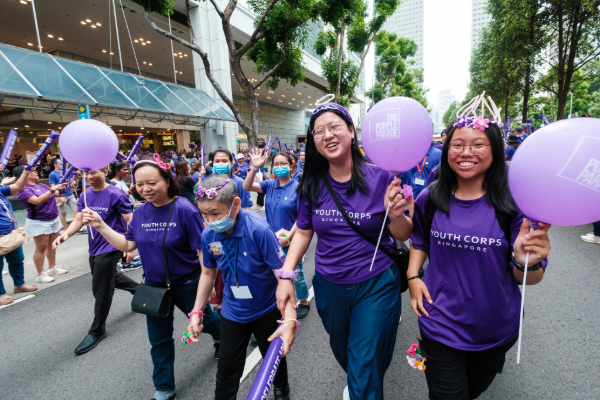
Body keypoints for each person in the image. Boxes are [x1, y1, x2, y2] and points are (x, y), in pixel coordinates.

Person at [407, 95, 551, 399]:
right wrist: (413, 277)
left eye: (478, 145)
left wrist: (526, 260)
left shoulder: (514, 204)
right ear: (447, 149)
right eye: (457, 145)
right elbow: (418, 239)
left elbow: (529, 277)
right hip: (439, 321)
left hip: (495, 327)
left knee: (472, 390)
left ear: (495, 150)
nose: (466, 152)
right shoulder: (431, 197)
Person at [275, 103, 413, 400]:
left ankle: (363, 386)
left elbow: (403, 233)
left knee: (364, 361)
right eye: (319, 131)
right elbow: (303, 230)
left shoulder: (383, 179)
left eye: (335, 126)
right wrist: (287, 274)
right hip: (329, 285)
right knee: (345, 352)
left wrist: (398, 214)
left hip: (376, 283)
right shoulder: (311, 184)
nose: (328, 135)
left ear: (352, 131)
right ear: (313, 141)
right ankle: (362, 381)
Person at [80, 158, 220, 400]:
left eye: (152, 182)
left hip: (188, 283)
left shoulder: (185, 209)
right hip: (154, 286)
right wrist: (101, 225)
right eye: (139, 184)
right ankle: (164, 388)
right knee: (159, 340)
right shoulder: (140, 211)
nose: (145, 189)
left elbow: (202, 250)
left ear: (167, 181)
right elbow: (126, 243)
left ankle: (223, 336)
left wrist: (208, 286)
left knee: (205, 319)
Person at [189, 175, 297, 400]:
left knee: (274, 357)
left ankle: (281, 389)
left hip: (267, 308)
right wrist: (197, 312)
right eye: (204, 214)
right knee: (227, 371)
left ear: (236, 204)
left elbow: (282, 275)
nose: (209, 220)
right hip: (233, 311)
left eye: (215, 213)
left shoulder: (258, 229)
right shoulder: (209, 235)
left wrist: (289, 317)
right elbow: (208, 273)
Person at [52, 166, 138, 355]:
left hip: (112, 245)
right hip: (94, 246)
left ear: (105, 172)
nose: (90, 176)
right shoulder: (85, 195)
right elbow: (78, 219)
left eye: (94, 172)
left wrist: (130, 246)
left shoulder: (116, 194)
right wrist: (65, 234)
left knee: (101, 288)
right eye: (87, 173)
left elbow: (130, 218)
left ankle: (97, 330)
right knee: (109, 277)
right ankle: (140, 292)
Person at [243, 149, 310, 319]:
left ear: (292, 165)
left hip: (292, 238)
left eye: (283, 164)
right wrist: (254, 168)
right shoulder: (269, 185)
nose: (279, 167)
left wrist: (288, 237)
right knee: (273, 271)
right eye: (276, 164)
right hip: (271, 239)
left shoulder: (298, 188)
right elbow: (247, 186)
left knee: (296, 272)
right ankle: (279, 299)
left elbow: (301, 217)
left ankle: (303, 300)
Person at [14, 165, 68, 283]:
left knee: (52, 244)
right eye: (33, 171)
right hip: (38, 221)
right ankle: (40, 274)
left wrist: (65, 185)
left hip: (53, 218)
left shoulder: (41, 185)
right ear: (24, 175)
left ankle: (52, 267)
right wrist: (53, 190)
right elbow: (37, 201)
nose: (36, 172)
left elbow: (59, 194)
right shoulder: (22, 189)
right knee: (41, 247)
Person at [0, 165, 39, 305]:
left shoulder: (0, 190)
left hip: (11, 234)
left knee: (17, 260)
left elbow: (17, 186)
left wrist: (26, 172)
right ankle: (0, 294)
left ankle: (19, 285)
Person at [108, 161, 143, 272]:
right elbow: (120, 199)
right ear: (117, 171)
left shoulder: (120, 181)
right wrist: (130, 191)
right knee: (125, 233)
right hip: (123, 213)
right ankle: (126, 262)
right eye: (125, 169)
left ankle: (128, 259)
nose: (127, 172)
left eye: (127, 169)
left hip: (128, 209)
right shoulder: (115, 184)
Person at [48, 158, 78, 232]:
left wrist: (73, 182)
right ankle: (65, 229)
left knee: (76, 211)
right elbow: (53, 187)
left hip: (70, 194)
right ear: (55, 165)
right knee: (63, 213)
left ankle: (77, 228)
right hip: (60, 195)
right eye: (60, 163)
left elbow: (71, 180)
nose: (62, 165)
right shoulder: (52, 174)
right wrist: (59, 197)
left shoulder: (67, 171)